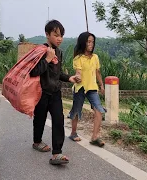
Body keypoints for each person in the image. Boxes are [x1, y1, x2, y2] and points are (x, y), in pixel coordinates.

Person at [30, 20, 80, 165]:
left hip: (56, 92)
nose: (59, 38)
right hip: (42, 92)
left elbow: (57, 74)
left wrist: (69, 77)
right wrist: (47, 59)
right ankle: (37, 141)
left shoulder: (59, 52)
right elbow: (34, 72)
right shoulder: (41, 51)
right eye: (56, 35)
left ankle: (57, 153)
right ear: (47, 35)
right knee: (39, 118)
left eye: (61, 35)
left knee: (58, 120)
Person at [68, 32, 106, 147]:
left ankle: (95, 137)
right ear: (83, 42)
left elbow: (97, 72)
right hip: (80, 87)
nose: (91, 44)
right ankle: (73, 133)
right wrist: (78, 77)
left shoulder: (95, 57)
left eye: (92, 42)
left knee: (99, 110)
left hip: (92, 88)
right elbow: (78, 72)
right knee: (76, 110)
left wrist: (101, 85)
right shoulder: (78, 58)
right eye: (88, 41)